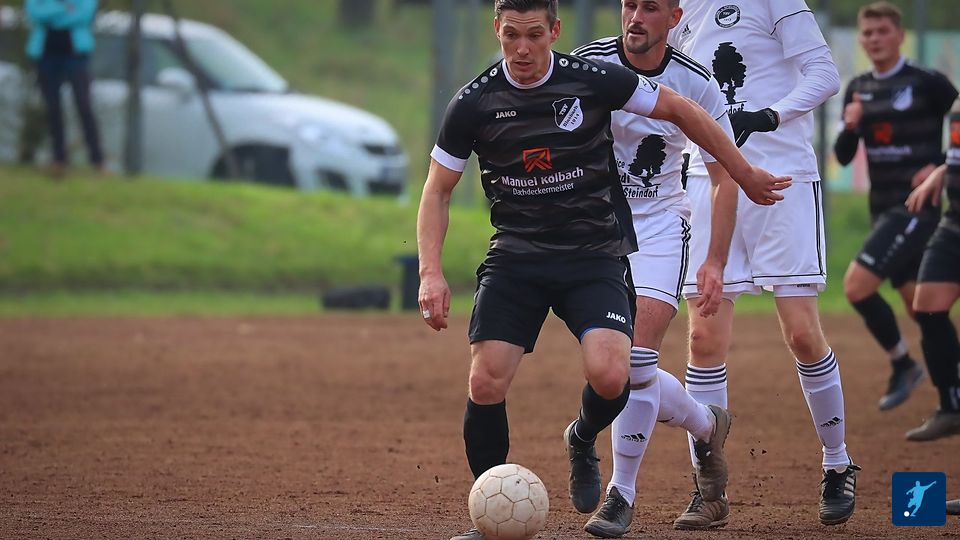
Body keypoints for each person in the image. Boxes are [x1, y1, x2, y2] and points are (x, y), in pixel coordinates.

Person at [416, 2, 789, 539]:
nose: (522, 49)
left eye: (534, 35)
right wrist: (430, 272)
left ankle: (583, 432)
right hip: (517, 255)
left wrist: (744, 171)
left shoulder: (589, 78)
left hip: (592, 252)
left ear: (555, 31)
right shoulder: (474, 101)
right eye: (511, 35)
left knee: (615, 373)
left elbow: (681, 110)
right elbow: (437, 189)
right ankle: (489, 513)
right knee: (485, 378)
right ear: (496, 29)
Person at [671, 0, 861, 527]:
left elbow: (825, 75)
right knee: (702, 338)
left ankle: (837, 463)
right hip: (706, 179)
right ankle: (708, 489)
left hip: (784, 178)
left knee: (801, 333)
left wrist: (767, 116)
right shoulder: (680, 8)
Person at [571, 0, 741, 535]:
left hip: (660, 227)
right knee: (623, 371)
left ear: (675, 16)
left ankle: (620, 494)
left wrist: (715, 261)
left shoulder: (697, 83)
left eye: (650, 7)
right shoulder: (587, 64)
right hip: (595, 229)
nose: (635, 17)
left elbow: (724, 176)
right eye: (629, 5)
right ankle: (706, 425)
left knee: (638, 357)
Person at [834, 2, 958, 412]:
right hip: (882, 209)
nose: (875, 39)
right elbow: (844, 155)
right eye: (868, 33)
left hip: (917, 208)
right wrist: (850, 125)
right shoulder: (858, 88)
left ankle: (904, 364)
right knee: (923, 307)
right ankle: (953, 389)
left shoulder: (927, 82)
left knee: (856, 286)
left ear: (900, 36)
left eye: (883, 31)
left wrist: (940, 164)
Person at [902, 103, 960, 442]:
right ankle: (951, 408)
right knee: (927, 307)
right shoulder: (957, 106)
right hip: (954, 223)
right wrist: (942, 171)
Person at [24, 0, 104, 178]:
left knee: (84, 105)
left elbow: (85, 14)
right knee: (52, 108)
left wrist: (51, 15)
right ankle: (58, 159)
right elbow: (34, 13)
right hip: (46, 54)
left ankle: (98, 161)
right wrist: (65, 9)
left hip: (76, 55)